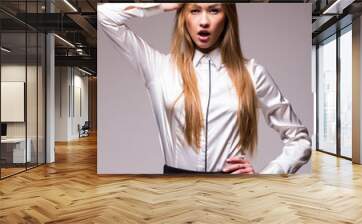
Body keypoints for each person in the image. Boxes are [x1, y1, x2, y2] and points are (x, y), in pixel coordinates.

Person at [97, 3, 312, 175]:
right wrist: (162, 6)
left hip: (232, 196)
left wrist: (267, 177)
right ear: (184, 16)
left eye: (214, 10)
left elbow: (300, 140)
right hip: (173, 194)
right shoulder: (159, 68)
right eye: (195, 10)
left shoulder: (252, 73)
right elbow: (106, 15)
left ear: (227, 16)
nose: (204, 22)